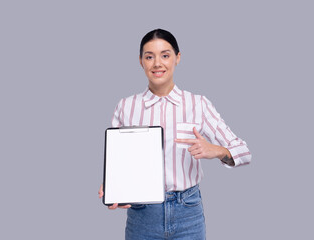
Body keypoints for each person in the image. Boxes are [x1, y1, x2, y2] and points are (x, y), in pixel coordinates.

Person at [99, 28, 251, 240]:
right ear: (141, 61)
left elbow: (244, 152)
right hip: (142, 215)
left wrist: (216, 150)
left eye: (165, 55)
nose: (157, 63)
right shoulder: (126, 107)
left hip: (187, 213)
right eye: (149, 57)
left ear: (177, 58)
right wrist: (113, 187)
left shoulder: (198, 104)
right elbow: (118, 162)